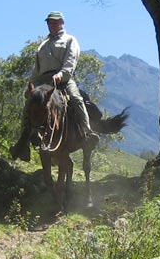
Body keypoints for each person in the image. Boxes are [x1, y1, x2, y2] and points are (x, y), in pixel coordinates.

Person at [10, 10, 96, 162]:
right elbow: (37, 68)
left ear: (62, 23)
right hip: (41, 81)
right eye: (50, 22)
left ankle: (87, 133)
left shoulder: (70, 40)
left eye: (56, 21)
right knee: (29, 107)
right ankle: (22, 144)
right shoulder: (43, 44)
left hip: (63, 79)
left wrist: (62, 74)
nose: (53, 24)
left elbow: (71, 61)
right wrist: (30, 86)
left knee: (76, 98)